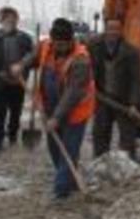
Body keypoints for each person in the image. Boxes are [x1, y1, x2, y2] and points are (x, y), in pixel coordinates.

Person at [12, 18, 96, 200]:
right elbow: (32, 57)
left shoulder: (81, 59)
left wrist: (57, 117)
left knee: (69, 149)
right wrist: (21, 65)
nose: (60, 47)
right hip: (49, 108)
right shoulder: (45, 46)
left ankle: (60, 191)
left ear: (71, 40)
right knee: (55, 149)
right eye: (57, 43)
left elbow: (73, 94)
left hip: (75, 113)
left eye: (64, 43)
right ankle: (70, 180)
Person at [88, 19, 140, 159]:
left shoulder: (131, 52)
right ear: (105, 30)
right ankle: (100, 164)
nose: (113, 32)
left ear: (121, 31)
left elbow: (136, 80)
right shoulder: (94, 47)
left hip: (123, 101)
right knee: (100, 133)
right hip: (102, 97)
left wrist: (134, 104)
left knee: (127, 137)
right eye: (110, 28)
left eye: (116, 29)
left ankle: (128, 165)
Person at [0, 7, 34, 147]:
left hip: (18, 81)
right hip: (1, 81)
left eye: (13, 19)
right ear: (1, 20)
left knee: (16, 111)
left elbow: (33, 56)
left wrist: (22, 65)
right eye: (7, 19)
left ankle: (12, 135)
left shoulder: (25, 38)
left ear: (17, 20)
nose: (10, 21)